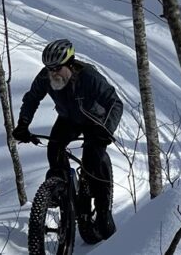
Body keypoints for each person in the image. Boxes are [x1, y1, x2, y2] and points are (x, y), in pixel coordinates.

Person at [13, 39, 123, 240]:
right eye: (49, 68)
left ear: (70, 64)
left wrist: (106, 130)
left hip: (94, 122)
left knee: (93, 163)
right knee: (54, 151)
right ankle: (61, 192)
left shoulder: (89, 77)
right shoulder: (46, 77)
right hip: (68, 120)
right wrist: (23, 125)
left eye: (57, 68)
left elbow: (115, 102)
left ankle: (103, 212)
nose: (52, 72)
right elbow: (31, 99)